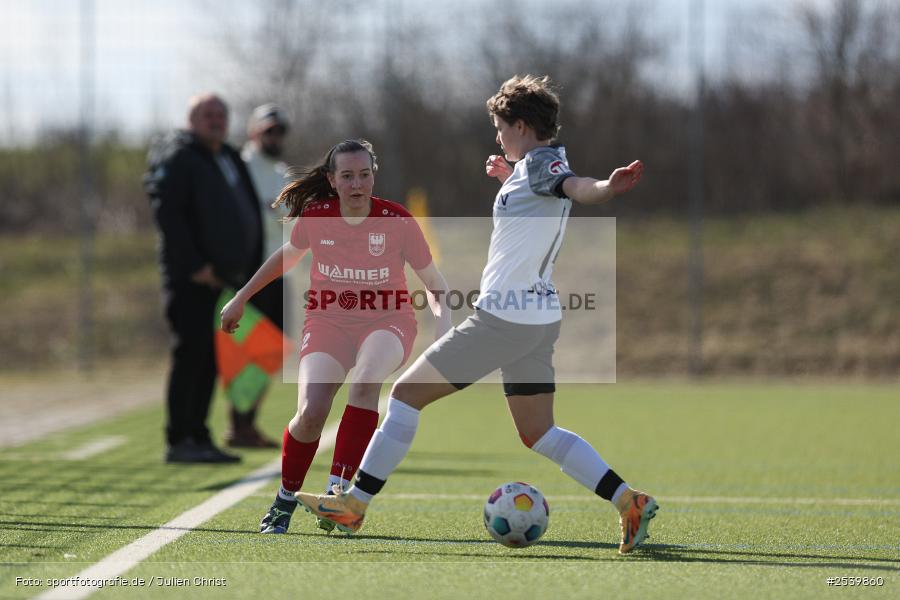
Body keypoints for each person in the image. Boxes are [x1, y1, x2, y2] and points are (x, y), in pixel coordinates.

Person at [297, 75, 657, 554]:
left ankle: (354, 504)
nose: (498, 137)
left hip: (502, 320)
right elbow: (546, 197)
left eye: (501, 128)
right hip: (537, 319)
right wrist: (509, 179)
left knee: (403, 396)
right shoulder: (531, 170)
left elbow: (577, 187)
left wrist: (607, 187)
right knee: (539, 432)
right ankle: (628, 501)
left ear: (521, 126)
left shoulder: (543, 164)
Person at [220, 139, 451, 534]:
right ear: (332, 179)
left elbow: (436, 285)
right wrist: (241, 298)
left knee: (364, 382)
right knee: (310, 414)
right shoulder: (317, 216)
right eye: (347, 176)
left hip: (388, 321)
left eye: (364, 174)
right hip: (327, 323)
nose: (357, 184)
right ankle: (284, 500)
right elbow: (287, 257)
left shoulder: (396, 220)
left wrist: (443, 329)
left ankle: (338, 495)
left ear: (374, 176)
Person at [145, 93, 267, 463]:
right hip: (192, 279)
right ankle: (180, 438)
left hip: (224, 280)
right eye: (207, 114)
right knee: (191, 355)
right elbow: (168, 214)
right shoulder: (179, 156)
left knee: (210, 359)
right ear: (191, 120)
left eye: (221, 114)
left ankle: (199, 435)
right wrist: (196, 264)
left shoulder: (227, 156)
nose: (216, 120)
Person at [219, 104, 295, 449]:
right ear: (253, 132)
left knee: (272, 349)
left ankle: (245, 422)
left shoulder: (282, 173)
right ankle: (239, 423)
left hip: (278, 274)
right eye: (269, 131)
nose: (275, 137)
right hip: (246, 275)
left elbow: (292, 221)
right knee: (245, 349)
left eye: (279, 131)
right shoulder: (239, 167)